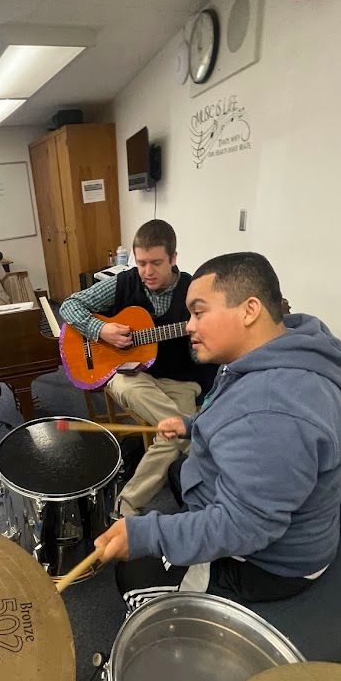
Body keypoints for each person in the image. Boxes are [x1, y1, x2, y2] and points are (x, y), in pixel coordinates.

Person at [94, 251, 341, 610]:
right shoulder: (276, 347)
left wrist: (148, 535)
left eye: (199, 312)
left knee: (133, 575)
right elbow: (235, 413)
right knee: (178, 471)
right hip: (263, 514)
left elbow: (245, 526)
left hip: (270, 563)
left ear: (249, 310)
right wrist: (191, 425)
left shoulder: (274, 411)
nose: (188, 325)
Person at [59, 219, 217, 517]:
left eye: (156, 263)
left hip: (181, 380)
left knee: (169, 437)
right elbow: (69, 306)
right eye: (141, 262)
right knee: (133, 391)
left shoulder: (194, 292)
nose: (147, 272)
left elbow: (204, 358)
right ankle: (194, 442)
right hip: (134, 376)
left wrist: (200, 341)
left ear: (173, 259)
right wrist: (100, 330)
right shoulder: (126, 281)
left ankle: (126, 507)